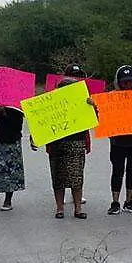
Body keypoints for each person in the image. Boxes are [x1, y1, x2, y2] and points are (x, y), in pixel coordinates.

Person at [45, 77, 91, 219]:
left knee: (77, 178)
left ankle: (78, 208)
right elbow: (43, 124)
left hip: (76, 143)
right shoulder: (52, 105)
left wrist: (92, 106)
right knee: (58, 178)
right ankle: (60, 208)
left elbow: (94, 120)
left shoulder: (82, 103)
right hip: (57, 144)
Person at [108, 65, 132, 215]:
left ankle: (129, 201)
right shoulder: (111, 97)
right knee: (117, 170)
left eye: (130, 82)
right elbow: (101, 115)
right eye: (124, 82)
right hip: (118, 141)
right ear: (119, 82)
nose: (128, 85)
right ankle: (115, 201)